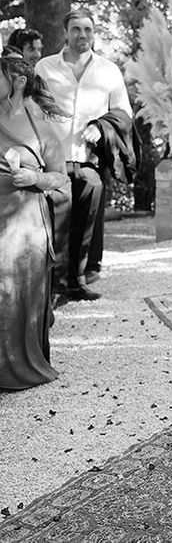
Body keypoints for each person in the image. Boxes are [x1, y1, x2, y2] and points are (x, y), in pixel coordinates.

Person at [36, 7, 132, 302]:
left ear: (94, 33)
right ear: (65, 32)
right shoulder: (44, 68)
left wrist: (102, 127)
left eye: (88, 29)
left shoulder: (108, 70)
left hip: (90, 160)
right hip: (52, 159)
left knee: (86, 218)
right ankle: (53, 284)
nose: (83, 35)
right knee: (54, 219)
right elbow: (31, 109)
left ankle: (77, 280)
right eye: (76, 29)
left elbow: (124, 112)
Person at [0, 55, 68, 390]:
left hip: (24, 222)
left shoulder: (41, 124)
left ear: (17, 81)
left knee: (11, 290)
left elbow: (61, 176)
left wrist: (35, 177)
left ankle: (14, 366)